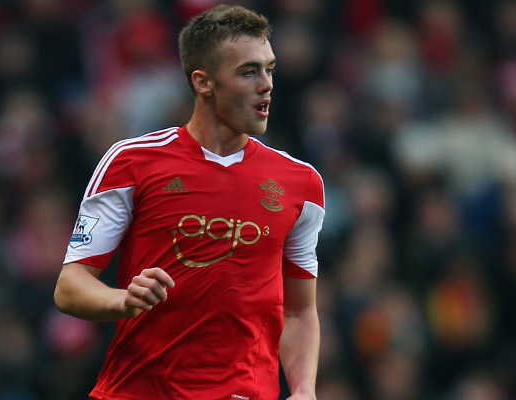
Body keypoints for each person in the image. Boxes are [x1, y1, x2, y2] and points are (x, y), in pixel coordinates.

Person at [54, 5, 324, 400]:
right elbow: (69, 287)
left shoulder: (301, 183)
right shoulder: (131, 162)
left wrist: (303, 390)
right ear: (204, 83)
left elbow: (299, 309)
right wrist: (122, 299)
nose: (266, 84)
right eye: (249, 71)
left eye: (269, 69)